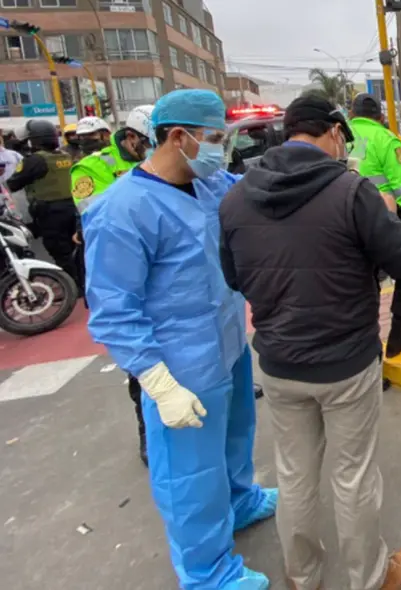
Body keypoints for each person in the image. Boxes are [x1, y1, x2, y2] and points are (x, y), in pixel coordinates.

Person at [219, 95, 401, 590]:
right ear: (334, 132)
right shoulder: (351, 192)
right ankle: (372, 578)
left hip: (277, 362)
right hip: (346, 362)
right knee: (353, 477)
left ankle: (302, 577)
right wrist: (396, 331)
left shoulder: (235, 197)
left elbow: (233, 278)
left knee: (293, 475)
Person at [83, 89, 277, 590]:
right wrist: (158, 383)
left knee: (237, 434)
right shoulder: (121, 210)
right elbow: (113, 309)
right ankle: (208, 573)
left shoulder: (209, 185)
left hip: (228, 343)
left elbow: (254, 186)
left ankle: (240, 501)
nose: (221, 150)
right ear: (177, 137)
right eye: (214, 138)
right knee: (190, 472)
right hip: (179, 364)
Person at [70, 104, 154, 465]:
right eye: (150, 144)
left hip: (163, 264)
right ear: (132, 137)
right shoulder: (92, 167)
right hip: (121, 264)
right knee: (141, 360)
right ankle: (147, 432)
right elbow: (97, 211)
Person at [348, 93, 401, 251]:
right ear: (381, 117)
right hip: (382, 220)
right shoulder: (387, 140)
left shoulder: (338, 136)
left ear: (352, 114)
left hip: (344, 220)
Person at [6, 120, 78, 280]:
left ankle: (72, 285)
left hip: (50, 211)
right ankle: (80, 281)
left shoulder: (35, 160)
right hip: (72, 208)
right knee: (74, 248)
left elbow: (13, 183)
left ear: (33, 140)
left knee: (59, 249)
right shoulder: (65, 156)